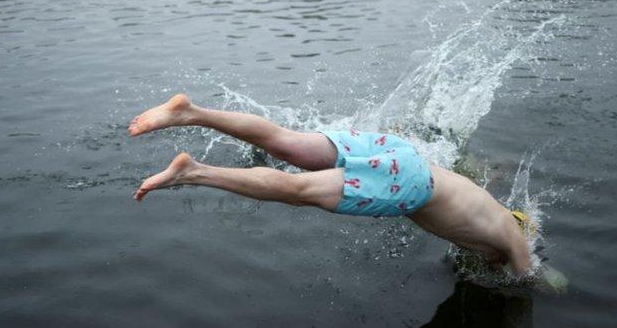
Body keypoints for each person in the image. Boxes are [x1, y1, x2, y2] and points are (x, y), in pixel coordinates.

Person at [130, 94, 534, 276]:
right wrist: (546, 278)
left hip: (403, 155)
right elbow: (531, 272)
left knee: (285, 142)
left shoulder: (485, 212)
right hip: (409, 183)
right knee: (298, 190)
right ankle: (193, 172)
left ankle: (190, 112)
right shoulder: (508, 233)